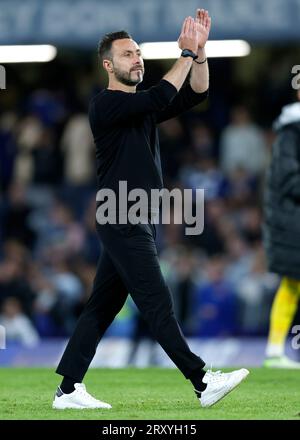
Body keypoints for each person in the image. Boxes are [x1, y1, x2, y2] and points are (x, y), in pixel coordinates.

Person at [53, 9, 249, 410]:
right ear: (108, 65)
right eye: (128, 54)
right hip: (121, 213)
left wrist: (200, 53)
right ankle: (201, 380)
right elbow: (163, 93)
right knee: (157, 301)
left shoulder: (140, 108)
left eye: (139, 52)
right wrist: (184, 52)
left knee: (102, 306)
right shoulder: (105, 105)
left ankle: (68, 389)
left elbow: (196, 93)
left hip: (137, 215)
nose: (138, 58)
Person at [263, 89, 300, 369]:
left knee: (292, 284)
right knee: (291, 283)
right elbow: (288, 179)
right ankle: (274, 352)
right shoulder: (291, 130)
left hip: (290, 220)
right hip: (291, 222)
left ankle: (275, 351)